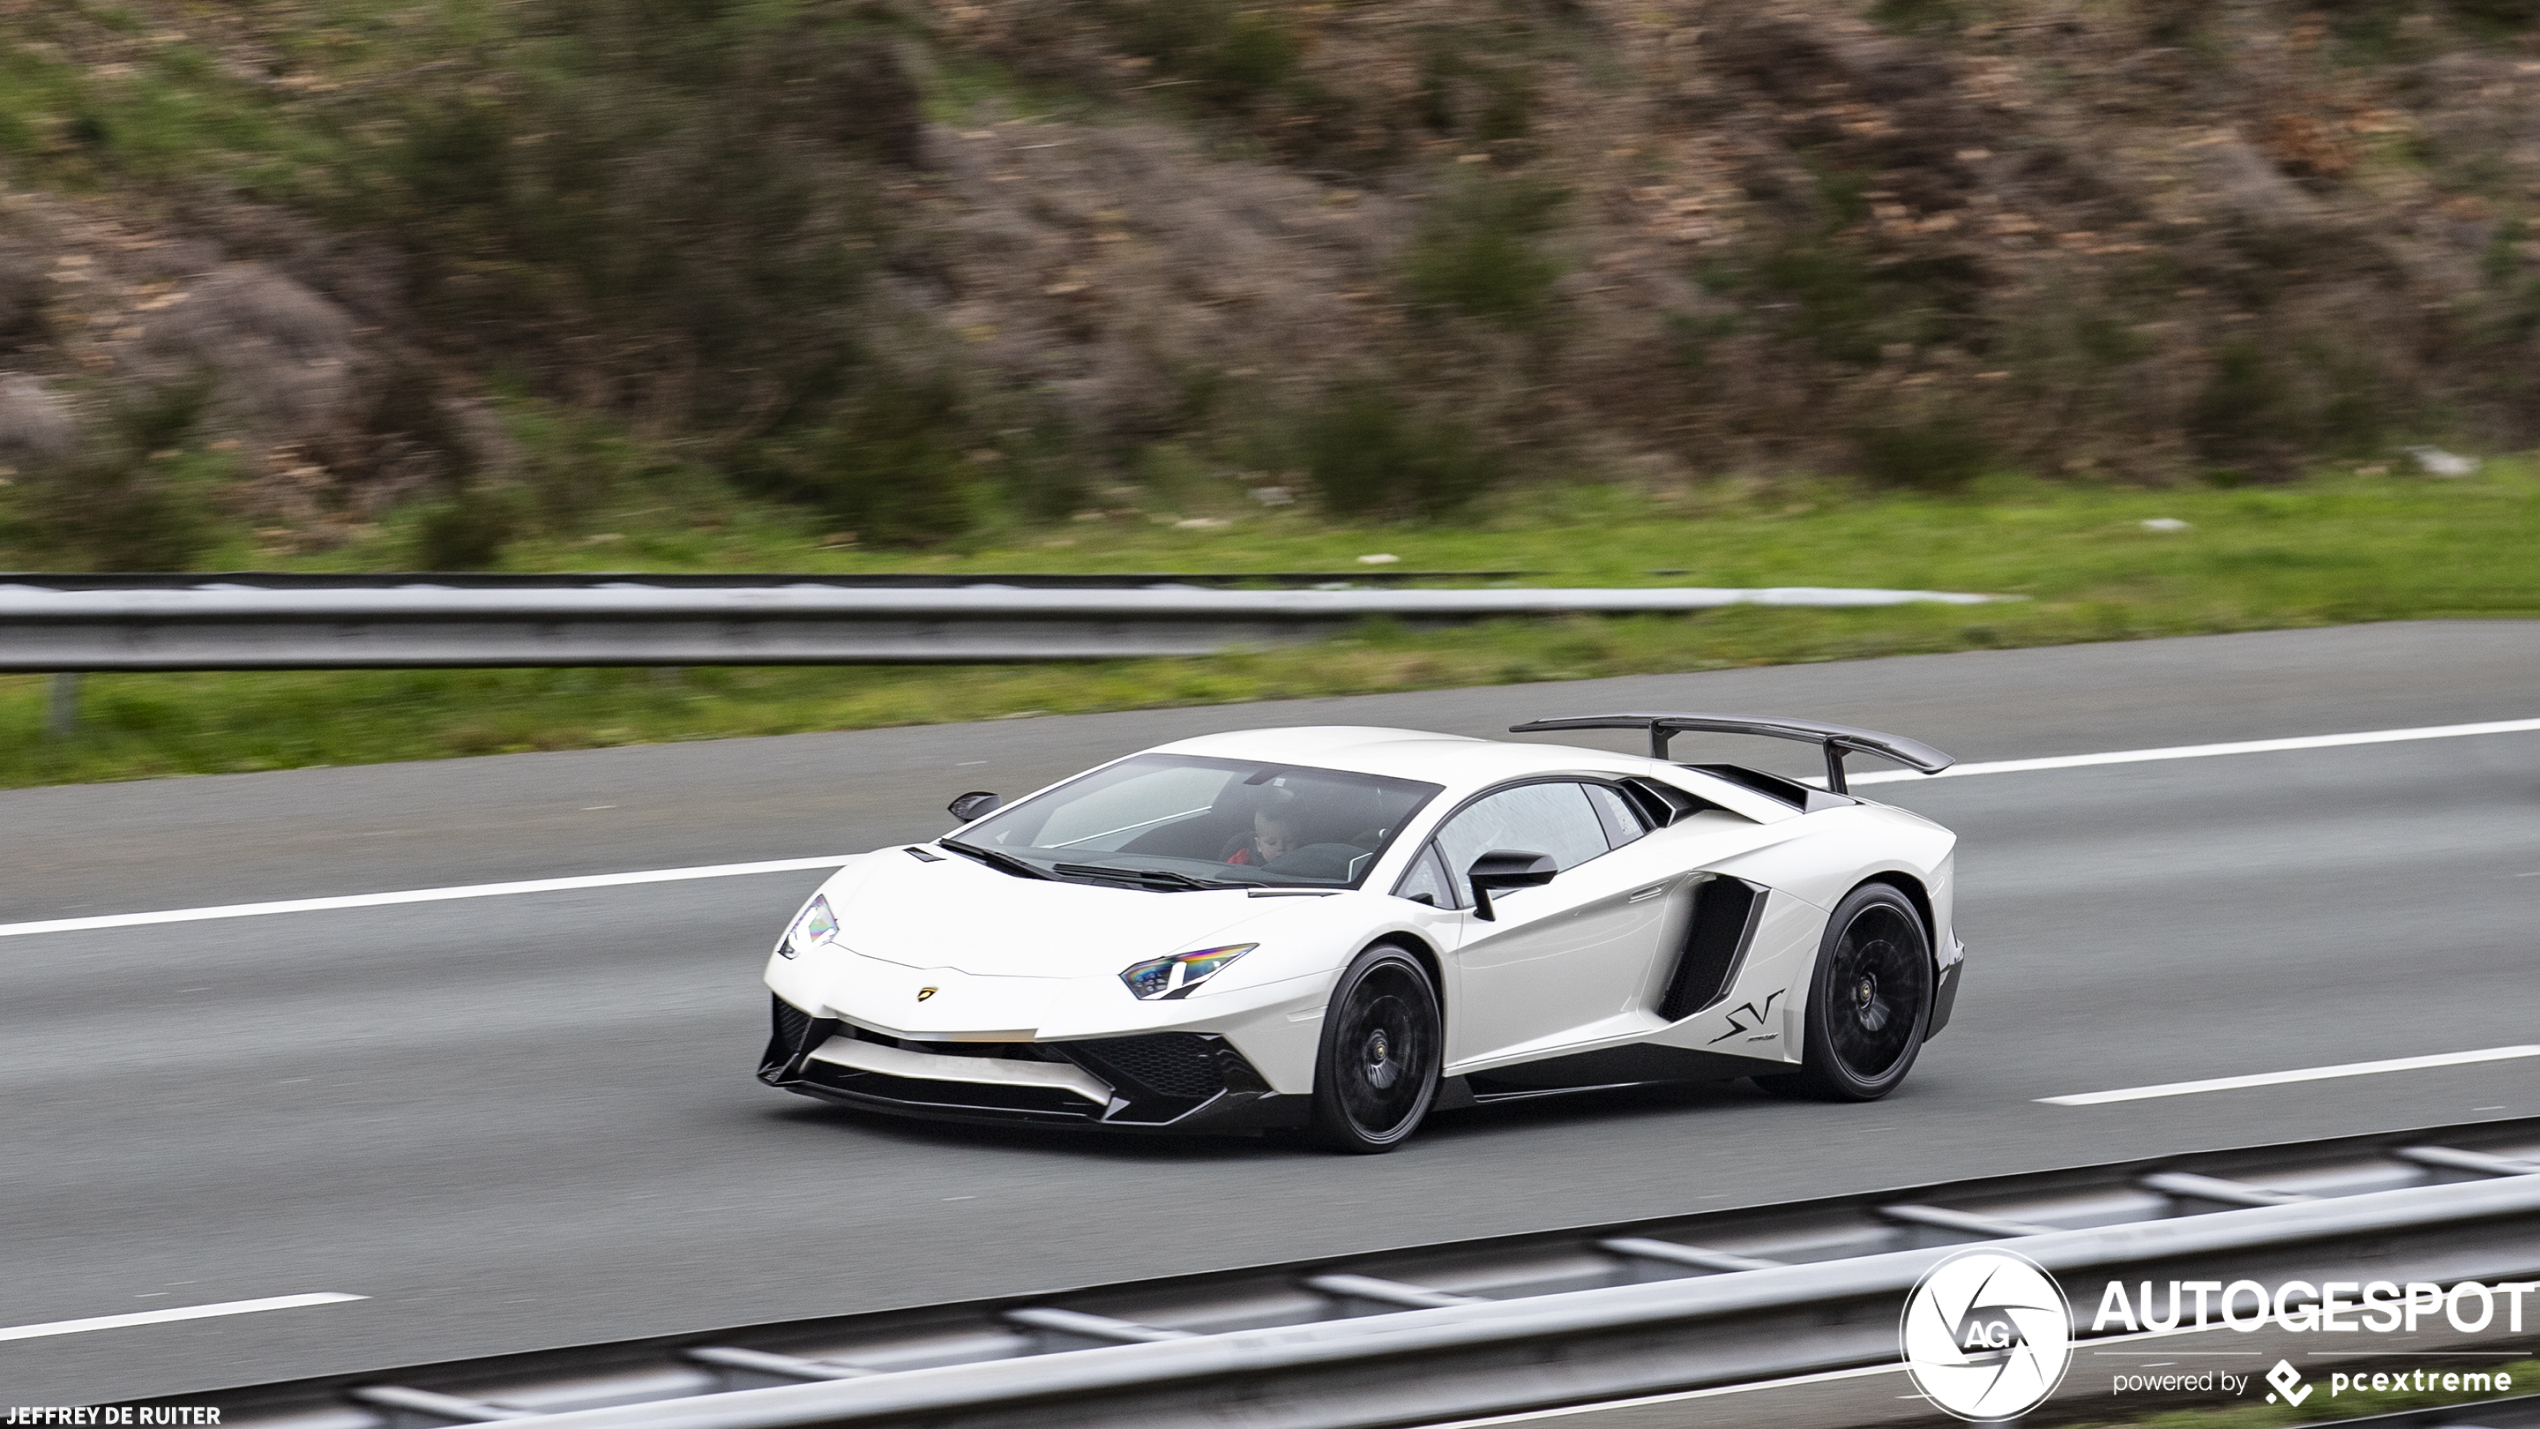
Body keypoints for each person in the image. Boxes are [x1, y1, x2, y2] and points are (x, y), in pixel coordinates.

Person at [1226, 807, 1299, 866]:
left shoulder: (1303, 863)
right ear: (1259, 845)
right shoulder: (1242, 861)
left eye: (1289, 841)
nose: (1281, 848)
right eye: (1272, 843)